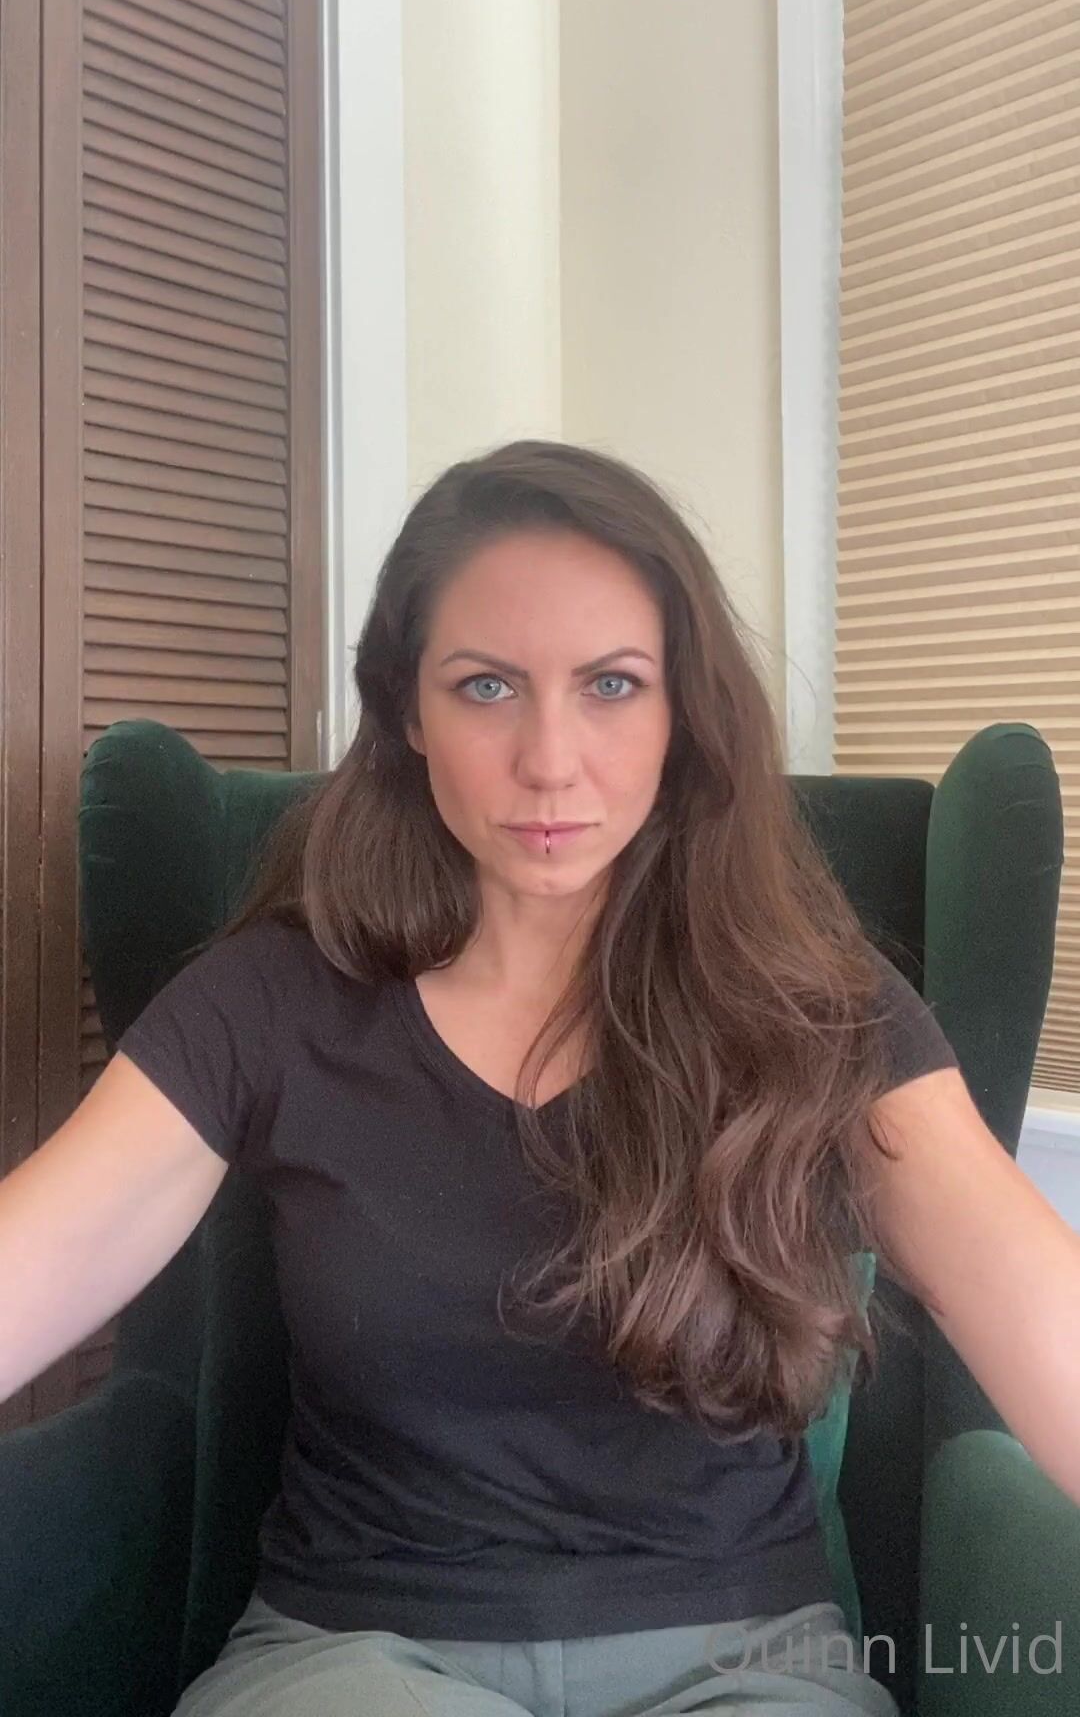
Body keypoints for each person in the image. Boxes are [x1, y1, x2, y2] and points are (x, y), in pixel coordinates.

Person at [4, 441, 1078, 1717]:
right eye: (488, 686)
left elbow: (1026, 1298)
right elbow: (41, 1256)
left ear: (682, 712)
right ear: (408, 710)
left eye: (613, 684)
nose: (551, 760)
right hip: (358, 1654)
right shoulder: (269, 1000)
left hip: (746, 1659)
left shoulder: (816, 1005)